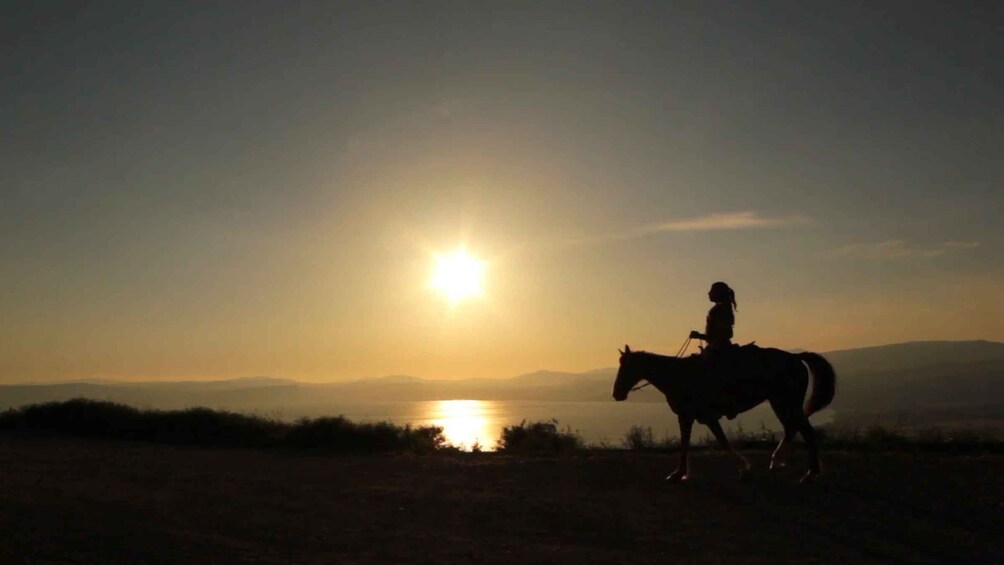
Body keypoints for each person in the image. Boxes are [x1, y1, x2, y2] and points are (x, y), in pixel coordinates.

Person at [689, 281, 739, 418]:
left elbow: (725, 334)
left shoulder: (719, 309)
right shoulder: (723, 308)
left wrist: (700, 335)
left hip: (719, 348)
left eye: (711, 291)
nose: (708, 293)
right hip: (716, 347)